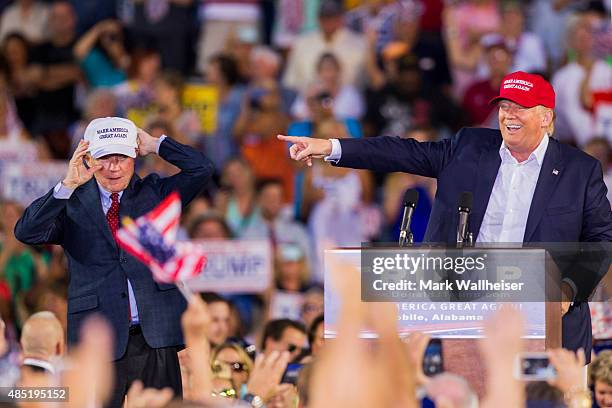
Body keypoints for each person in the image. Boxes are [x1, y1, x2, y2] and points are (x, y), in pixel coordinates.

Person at [279, 70, 612, 360]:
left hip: (547, 320)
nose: (508, 115)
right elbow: (402, 152)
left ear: (545, 117)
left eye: (520, 107)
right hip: (466, 314)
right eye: (504, 106)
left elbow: (602, 240)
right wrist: (331, 148)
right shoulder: (469, 146)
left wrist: (569, 289)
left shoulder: (579, 171)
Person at [14, 116, 214, 406]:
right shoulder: (71, 200)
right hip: (99, 339)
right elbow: (26, 232)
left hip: (156, 334)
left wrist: (157, 144)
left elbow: (203, 169)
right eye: (104, 158)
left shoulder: (154, 192)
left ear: (135, 155)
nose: (113, 166)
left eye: (121, 156)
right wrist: (67, 184)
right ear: (88, 158)